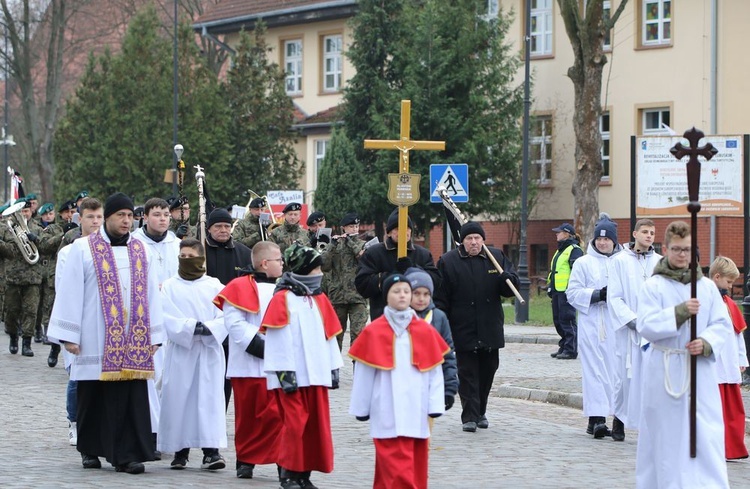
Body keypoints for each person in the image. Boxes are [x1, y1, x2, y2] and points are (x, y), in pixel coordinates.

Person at [47, 192, 165, 475]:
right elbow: (70, 291)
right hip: (94, 336)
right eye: (120, 216)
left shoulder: (142, 250)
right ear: (107, 218)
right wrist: (69, 335)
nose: (126, 221)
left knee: (130, 398)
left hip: (132, 339)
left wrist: (154, 334)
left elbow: (152, 294)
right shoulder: (83, 249)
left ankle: (127, 454)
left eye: (129, 216)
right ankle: (90, 448)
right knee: (94, 397)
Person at [635, 220, 731, 489]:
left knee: (705, 434)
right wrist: (678, 313)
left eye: (687, 250)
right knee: (667, 436)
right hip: (665, 369)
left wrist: (706, 342)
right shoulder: (654, 286)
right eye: (677, 249)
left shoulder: (707, 288)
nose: (682, 255)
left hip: (699, 371)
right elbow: (646, 324)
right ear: (665, 248)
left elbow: (722, 324)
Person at [349, 273, 448, 489]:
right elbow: (364, 374)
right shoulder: (374, 331)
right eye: (396, 291)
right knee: (393, 466)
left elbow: (434, 373)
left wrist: (435, 404)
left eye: (406, 291)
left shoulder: (425, 330)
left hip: (417, 409)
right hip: (385, 408)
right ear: (386, 296)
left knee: (415, 466)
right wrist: (361, 407)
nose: (402, 295)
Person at [263, 243, 343, 489]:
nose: (319, 273)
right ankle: (288, 473)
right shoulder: (282, 299)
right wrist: (285, 374)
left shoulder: (319, 299)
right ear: (302, 269)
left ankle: (303, 475)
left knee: (313, 428)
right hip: (293, 377)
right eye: (315, 268)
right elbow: (276, 340)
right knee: (295, 425)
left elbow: (330, 336)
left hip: (316, 375)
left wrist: (333, 368)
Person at [434, 221, 519, 432]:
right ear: (462, 241)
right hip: (462, 327)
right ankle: (469, 416)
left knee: (488, 370)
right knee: (467, 373)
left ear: (483, 240)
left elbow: (509, 289)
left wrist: (508, 280)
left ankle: (481, 410)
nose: (474, 242)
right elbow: (441, 297)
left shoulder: (496, 257)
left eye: (477, 238)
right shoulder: (448, 261)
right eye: (469, 239)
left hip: (489, 325)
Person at [215, 241, 284, 480]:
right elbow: (233, 322)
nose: (282, 263)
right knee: (247, 418)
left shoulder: (286, 289)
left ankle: (281, 460)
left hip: (277, 366)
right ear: (265, 263)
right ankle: (245, 460)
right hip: (247, 363)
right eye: (279, 260)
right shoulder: (238, 287)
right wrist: (259, 345)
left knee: (277, 417)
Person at [158, 238, 228, 471]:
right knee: (179, 399)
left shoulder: (215, 286)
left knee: (207, 400)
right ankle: (180, 451)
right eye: (183, 257)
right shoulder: (169, 286)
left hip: (208, 350)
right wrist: (189, 327)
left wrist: (210, 328)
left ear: (201, 259)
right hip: (181, 350)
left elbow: (226, 315)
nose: (186, 261)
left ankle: (211, 451)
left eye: (191, 257)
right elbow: (165, 314)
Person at [53, 197, 104, 446]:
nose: (95, 222)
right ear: (79, 219)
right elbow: (63, 289)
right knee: (77, 377)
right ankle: (74, 422)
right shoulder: (69, 250)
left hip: (103, 323)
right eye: (90, 217)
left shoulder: (108, 248)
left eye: (98, 217)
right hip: (80, 322)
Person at [565, 214, 621, 438]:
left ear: (614, 241)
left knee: (613, 372)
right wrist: (597, 295)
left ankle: (611, 417)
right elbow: (572, 292)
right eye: (599, 239)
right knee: (594, 371)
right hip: (592, 323)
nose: (603, 243)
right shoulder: (583, 263)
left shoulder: (621, 262)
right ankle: (597, 419)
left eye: (607, 240)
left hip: (615, 323)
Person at [607, 218, 661, 440]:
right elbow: (615, 296)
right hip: (629, 331)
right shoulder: (619, 261)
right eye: (645, 232)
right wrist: (633, 320)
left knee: (651, 378)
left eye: (652, 233)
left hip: (652, 330)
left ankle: (650, 425)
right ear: (635, 233)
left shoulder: (660, 262)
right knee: (624, 377)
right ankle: (619, 419)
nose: (649, 236)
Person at [356, 208, 440, 320]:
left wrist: (414, 270)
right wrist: (391, 275)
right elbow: (362, 285)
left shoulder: (422, 254)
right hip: (383, 317)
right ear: (389, 232)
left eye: (407, 228)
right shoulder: (374, 253)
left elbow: (435, 281)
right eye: (397, 228)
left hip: (417, 318)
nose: (403, 232)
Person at [708, 256, 748, 460]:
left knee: (732, 412)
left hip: (729, 363)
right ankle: (715, 448)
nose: (731, 287)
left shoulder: (731, 304)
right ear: (716, 277)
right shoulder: (704, 300)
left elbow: (738, 334)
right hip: (713, 364)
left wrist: (742, 359)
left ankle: (733, 448)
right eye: (729, 282)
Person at [406, 267, 459, 413]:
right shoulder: (400, 317)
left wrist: (450, 387)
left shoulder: (438, 318)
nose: (421, 298)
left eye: (426, 294)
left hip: (429, 382)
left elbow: (448, 353)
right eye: (416, 293)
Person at [0, 197, 43, 356]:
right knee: (11, 311)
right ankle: (13, 338)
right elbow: (8, 252)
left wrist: (36, 239)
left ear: (31, 211)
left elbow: (44, 248)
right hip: (12, 276)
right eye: (21, 211)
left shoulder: (37, 228)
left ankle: (27, 343)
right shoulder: (6, 228)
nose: (24, 214)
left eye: (26, 211)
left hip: (33, 277)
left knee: (30, 310)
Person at [323, 212, 368, 348]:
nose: (354, 229)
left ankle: (358, 367)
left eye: (356, 226)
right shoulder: (335, 245)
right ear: (344, 228)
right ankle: (334, 368)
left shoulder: (363, 245)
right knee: (335, 336)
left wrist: (351, 244)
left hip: (358, 296)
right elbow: (324, 266)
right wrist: (332, 245)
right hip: (338, 297)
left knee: (359, 336)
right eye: (351, 227)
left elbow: (364, 261)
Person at [547, 222, 584, 360]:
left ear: (567, 234)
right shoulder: (560, 250)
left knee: (567, 320)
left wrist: (572, 289)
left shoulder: (574, 249)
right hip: (557, 290)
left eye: (559, 232)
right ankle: (564, 346)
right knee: (558, 320)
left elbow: (577, 272)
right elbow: (555, 271)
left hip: (567, 292)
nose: (556, 234)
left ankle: (571, 349)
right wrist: (551, 285)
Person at [133, 198, 181, 287]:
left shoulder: (177, 244)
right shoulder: (133, 243)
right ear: (146, 218)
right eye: (157, 215)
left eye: (166, 215)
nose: (163, 219)